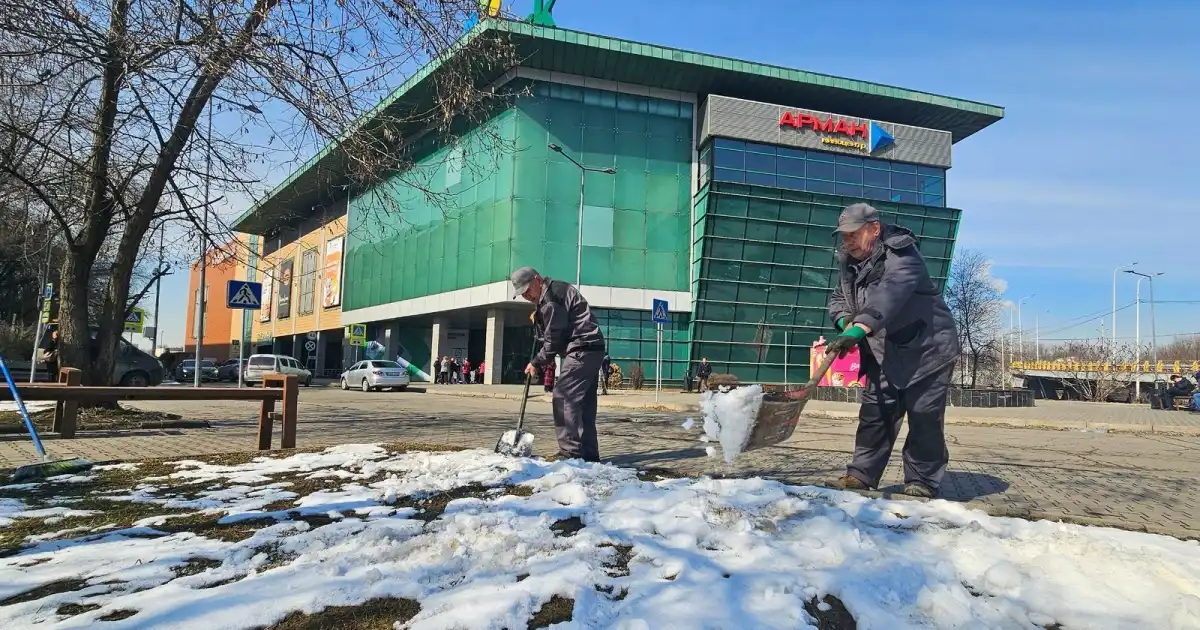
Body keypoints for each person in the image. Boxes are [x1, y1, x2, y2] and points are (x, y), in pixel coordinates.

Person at [824, 203, 960, 499]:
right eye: (843, 236)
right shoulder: (850, 263)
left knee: (924, 415)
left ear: (873, 229)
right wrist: (845, 322)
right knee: (876, 412)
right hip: (884, 348)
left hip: (927, 350)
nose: (846, 241)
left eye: (852, 234)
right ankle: (861, 474)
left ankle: (923, 479)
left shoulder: (903, 256)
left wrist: (859, 329)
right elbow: (839, 298)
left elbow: (889, 295)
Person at [510, 266, 606, 462]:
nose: (526, 296)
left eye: (528, 290)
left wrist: (536, 362)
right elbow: (555, 330)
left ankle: (570, 453)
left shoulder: (551, 300)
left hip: (581, 348)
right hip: (593, 348)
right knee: (584, 403)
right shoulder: (553, 294)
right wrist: (539, 319)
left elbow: (554, 339)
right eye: (522, 294)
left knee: (563, 396)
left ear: (537, 279)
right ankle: (588, 455)